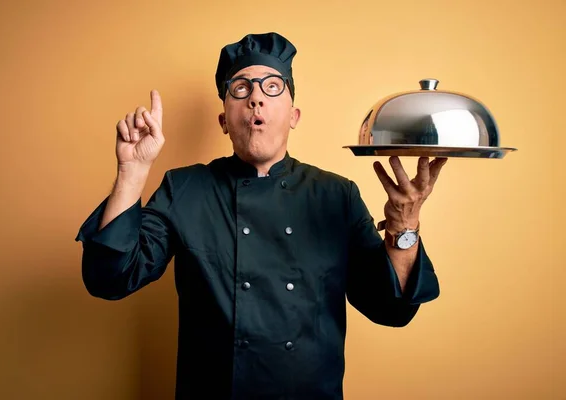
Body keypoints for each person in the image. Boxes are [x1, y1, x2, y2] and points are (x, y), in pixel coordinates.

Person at [75, 32, 447, 400]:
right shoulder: (185, 188)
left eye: (272, 87)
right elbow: (110, 279)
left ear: (294, 115)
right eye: (241, 88)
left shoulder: (336, 195)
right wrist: (132, 171)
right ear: (224, 119)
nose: (255, 98)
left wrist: (403, 226)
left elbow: (391, 308)